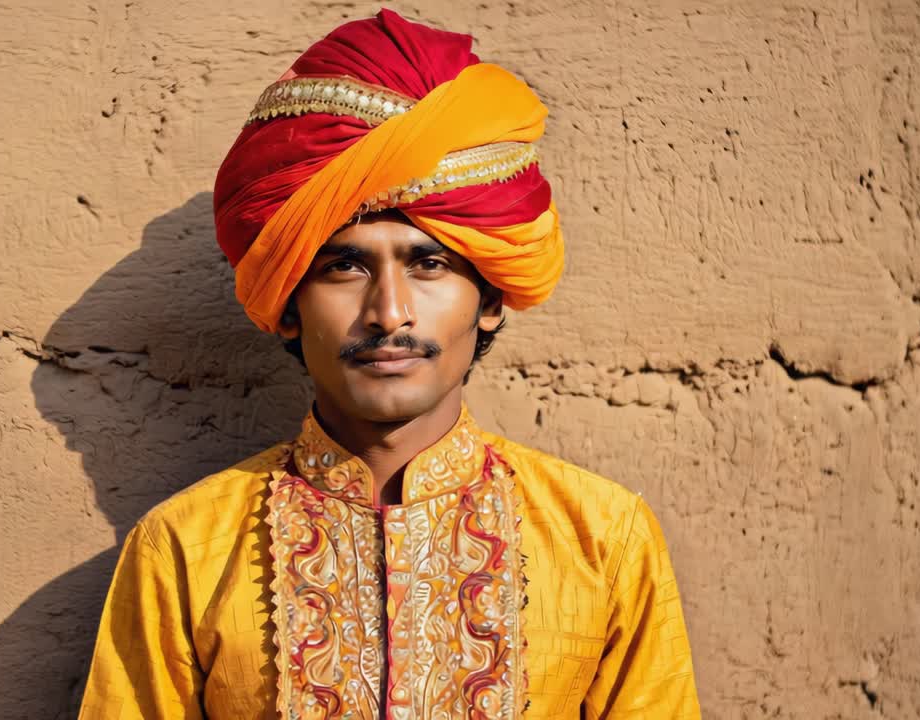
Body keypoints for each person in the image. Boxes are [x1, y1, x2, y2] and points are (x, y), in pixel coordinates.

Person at [78, 9, 699, 719]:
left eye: (428, 264)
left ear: (490, 298)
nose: (389, 312)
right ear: (287, 303)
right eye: (343, 267)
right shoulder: (183, 548)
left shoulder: (604, 538)